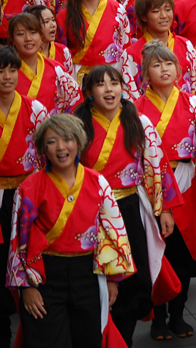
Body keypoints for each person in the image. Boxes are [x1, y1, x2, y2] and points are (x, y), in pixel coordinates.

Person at [75, 65, 183, 346]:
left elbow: (156, 165)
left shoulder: (138, 121)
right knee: (94, 278)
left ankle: (124, 337)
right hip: (90, 211)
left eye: (115, 83)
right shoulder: (77, 124)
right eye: (101, 84)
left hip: (130, 207)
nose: (109, 90)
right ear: (88, 92)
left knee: (135, 278)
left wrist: (165, 210)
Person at [6, 113, 135, 348]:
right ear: (43, 149)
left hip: (88, 273)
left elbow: (114, 231)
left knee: (88, 339)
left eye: (67, 139)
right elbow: (19, 242)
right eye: (52, 141)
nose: (61, 147)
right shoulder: (29, 187)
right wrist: (26, 287)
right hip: (45, 276)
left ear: (78, 142)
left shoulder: (98, 182)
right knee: (47, 340)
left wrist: (113, 279)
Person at [134, 41, 196, 339]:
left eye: (169, 64)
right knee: (157, 254)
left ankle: (177, 313)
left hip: (185, 181)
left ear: (179, 69)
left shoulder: (193, 103)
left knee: (185, 254)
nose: (164, 69)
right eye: (157, 64)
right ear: (145, 72)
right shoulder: (133, 109)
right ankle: (158, 317)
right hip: (150, 186)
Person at [0, 46, 47, 347]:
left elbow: (49, 155)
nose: (7, 76)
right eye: (1, 70)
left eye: (12, 69)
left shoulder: (36, 109)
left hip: (27, 192)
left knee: (29, 255)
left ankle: (33, 326)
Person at [121, 0, 196, 100]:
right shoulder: (131, 54)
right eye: (156, 11)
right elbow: (130, 98)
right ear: (143, 16)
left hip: (186, 114)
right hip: (148, 115)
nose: (164, 16)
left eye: (168, 9)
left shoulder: (185, 45)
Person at [56, 0, 131, 85]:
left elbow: (126, 44)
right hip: (79, 76)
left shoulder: (117, 9)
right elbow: (59, 52)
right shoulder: (64, 16)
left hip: (113, 72)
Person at [9, 13, 81, 115]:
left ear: (41, 37)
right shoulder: (6, 70)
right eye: (21, 34)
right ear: (12, 40)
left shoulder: (56, 69)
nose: (28, 38)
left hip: (53, 129)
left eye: (33, 32)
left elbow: (75, 102)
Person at [25, 4, 74, 76]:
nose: (53, 25)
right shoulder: (27, 53)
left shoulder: (63, 51)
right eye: (47, 21)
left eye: (53, 20)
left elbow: (69, 80)